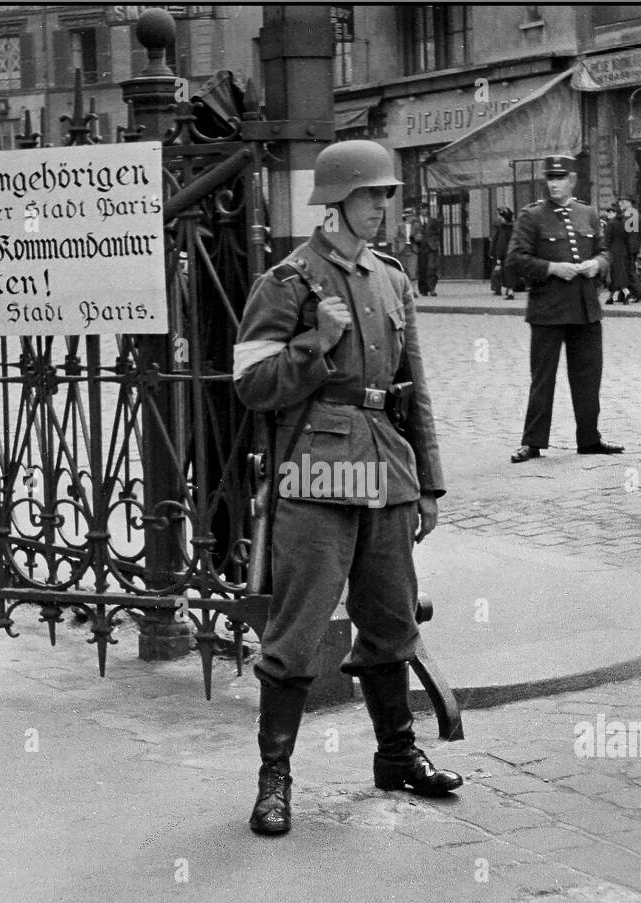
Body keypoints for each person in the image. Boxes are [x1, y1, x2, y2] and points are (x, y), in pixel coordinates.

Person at [233, 139, 460, 837]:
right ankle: (275, 781)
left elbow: (411, 387)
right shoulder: (288, 282)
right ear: (335, 202)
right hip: (320, 473)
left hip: (387, 469)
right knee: (297, 635)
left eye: (388, 196)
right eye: (370, 196)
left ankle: (396, 755)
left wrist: (428, 484)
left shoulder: (392, 279)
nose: (382, 208)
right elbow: (249, 384)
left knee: (391, 622)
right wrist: (313, 345)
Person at [505, 154, 624, 463]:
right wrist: (553, 268)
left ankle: (589, 439)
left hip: (585, 309)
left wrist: (596, 264)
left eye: (560, 178)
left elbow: (605, 252)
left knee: (588, 376)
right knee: (543, 378)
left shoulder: (587, 212)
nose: (554, 184)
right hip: (548, 310)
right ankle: (532, 443)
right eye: (550, 178)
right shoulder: (531, 216)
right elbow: (516, 259)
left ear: (572, 180)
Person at [617, 194, 641, 302]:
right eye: (619, 202)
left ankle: (638, 294)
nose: (620, 204)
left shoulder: (630, 213)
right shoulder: (633, 213)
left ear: (629, 202)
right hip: (632, 245)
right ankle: (623, 295)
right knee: (626, 269)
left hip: (628, 246)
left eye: (622, 201)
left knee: (629, 270)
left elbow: (626, 231)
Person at [602, 203, 631, 304]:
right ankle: (610, 297)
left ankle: (626, 291)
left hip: (613, 250)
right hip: (623, 250)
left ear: (614, 213)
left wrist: (604, 249)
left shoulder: (611, 224)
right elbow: (627, 237)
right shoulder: (624, 222)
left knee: (615, 272)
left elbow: (607, 239)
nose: (608, 214)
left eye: (610, 212)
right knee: (618, 272)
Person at [413, 202, 441, 296]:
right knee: (422, 269)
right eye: (423, 208)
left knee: (432, 268)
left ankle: (432, 288)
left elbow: (437, 232)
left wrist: (435, 242)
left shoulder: (432, 220)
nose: (425, 210)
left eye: (426, 208)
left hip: (431, 247)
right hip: (420, 247)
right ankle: (423, 289)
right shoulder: (415, 221)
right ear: (419, 210)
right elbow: (412, 234)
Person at [488, 206, 515, 298]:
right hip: (512, 253)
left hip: (501, 254)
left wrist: (493, 253)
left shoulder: (501, 228)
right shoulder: (514, 227)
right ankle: (509, 289)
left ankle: (497, 288)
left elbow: (498, 241)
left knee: (497, 270)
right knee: (509, 271)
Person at [392, 206, 420, 294]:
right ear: (406, 217)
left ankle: (414, 290)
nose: (412, 218)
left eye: (413, 216)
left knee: (413, 271)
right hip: (402, 250)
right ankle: (405, 290)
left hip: (412, 249)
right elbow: (395, 238)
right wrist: (395, 250)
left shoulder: (416, 226)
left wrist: (416, 238)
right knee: (403, 270)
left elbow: (419, 237)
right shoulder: (400, 226)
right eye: (411, 216)